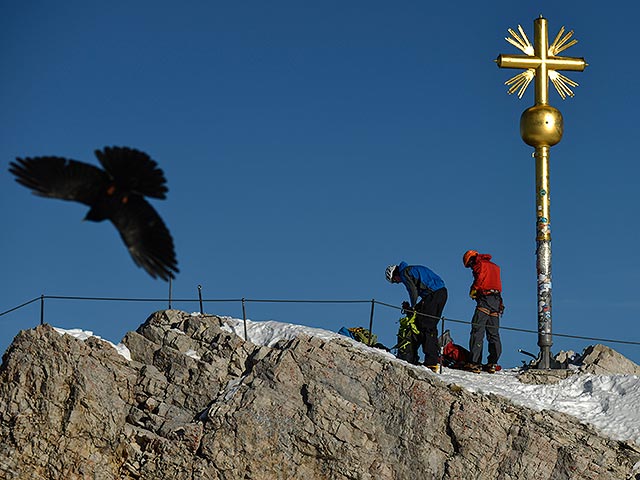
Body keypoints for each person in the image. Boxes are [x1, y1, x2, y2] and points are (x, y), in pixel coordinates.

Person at [385, 262, 448, 372]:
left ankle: (431, 361)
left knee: (426, 326)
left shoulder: (405, 273)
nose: (398, 282)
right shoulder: (411, 270)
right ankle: (429, 358)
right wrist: (414, 308)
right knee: (427, 322)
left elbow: (412, 291)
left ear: (395, 275)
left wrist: (413, 306)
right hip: (439, 293)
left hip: (434, 295)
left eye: (395, 281)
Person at [462, 250, 504, 373]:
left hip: (485, 299)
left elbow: (480, 279)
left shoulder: (479, 264)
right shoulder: (494, 266)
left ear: (471, 259)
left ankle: (475, 363)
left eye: (469, 265)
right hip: (497, 301)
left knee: (477, 330)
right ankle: (492, 362)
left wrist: (474, 289)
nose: (470, 268)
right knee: (493, 334)